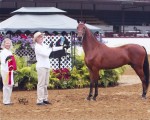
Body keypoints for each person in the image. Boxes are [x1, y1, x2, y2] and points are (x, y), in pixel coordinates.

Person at [33, 32, 64, 105]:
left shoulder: (43, 45)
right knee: (41, 84)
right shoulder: (37, 47)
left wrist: (62, 47)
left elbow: (52, 48)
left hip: (46, 66)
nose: (41, 38)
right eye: (39, 37)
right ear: (36, 39)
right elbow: (46, 53)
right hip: (41, 66)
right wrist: (50, 47)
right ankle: (39, 100)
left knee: (45, 84)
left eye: (41, 36)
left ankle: (45, 98)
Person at [0, 38, 16, 105]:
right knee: (6, 85)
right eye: (6, 43)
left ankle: (8, 100)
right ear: (4, 44)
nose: (8, 44)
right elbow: (3, 62)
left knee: (10, 85)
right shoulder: (2, 52)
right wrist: (7, 60)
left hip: (10, 70)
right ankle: (5, 101)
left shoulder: (10, 52)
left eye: (9, 43)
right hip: (5, 70)